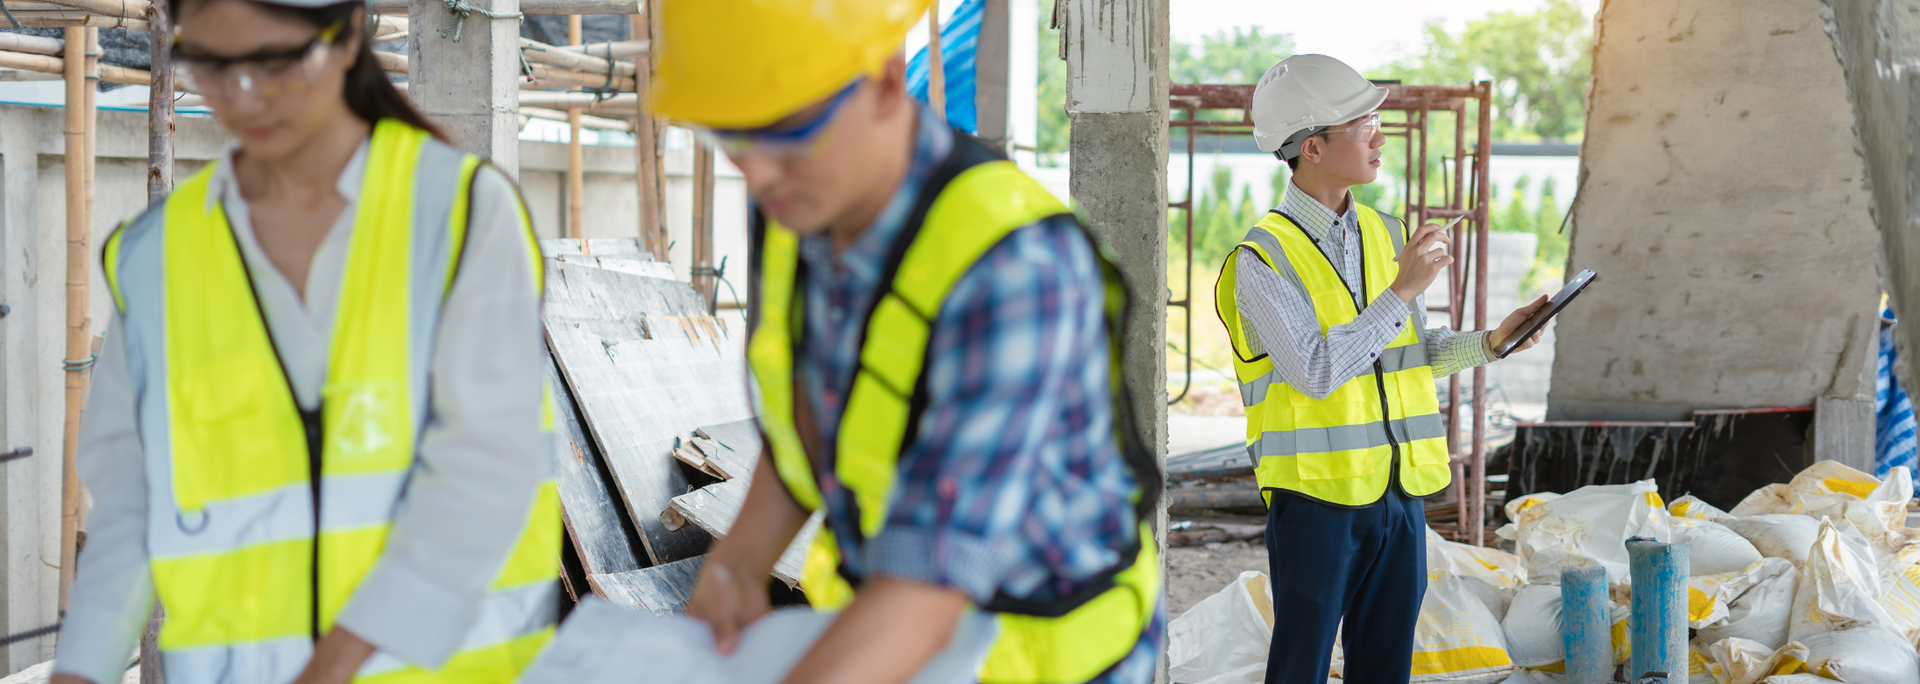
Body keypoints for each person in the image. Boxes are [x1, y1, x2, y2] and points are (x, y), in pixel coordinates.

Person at [648, 1, 1163, 683]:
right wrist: (740, 563)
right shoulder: (799, 200)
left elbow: (931, 584)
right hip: (888, 634)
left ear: (889, 82)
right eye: (732, 136)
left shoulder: (1016, 268)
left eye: (790, 130)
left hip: (1044, 658)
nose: (760, 173)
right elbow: (813, 419)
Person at [50, 0, 559, 682]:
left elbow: (483, 481)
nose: (242, 95)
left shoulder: (459, 216)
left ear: (349, 34)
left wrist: (332, 667)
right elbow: (131, 513)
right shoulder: (158, 259)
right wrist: (78, 669)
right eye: (211, 62)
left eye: (275, 61)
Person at [1215, 54, 1549, 684]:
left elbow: (1406, 351)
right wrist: (1399, 293)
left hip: (1398, 493)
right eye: (1363, 124)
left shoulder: (1384, 232)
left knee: (1386, 666)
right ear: (1313, 147)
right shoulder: (1262, 259)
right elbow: (1315, 370)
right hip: (1315, 499)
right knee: (1302, 667)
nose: (1380, 137)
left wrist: (1492, 342)